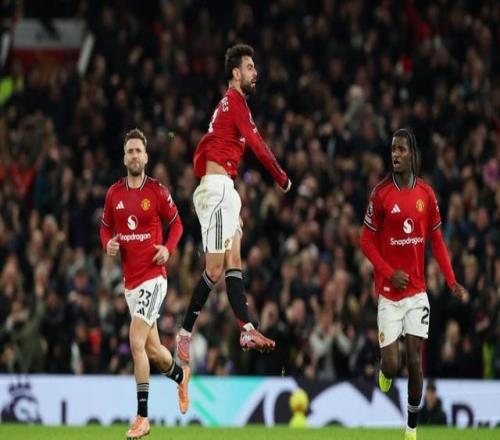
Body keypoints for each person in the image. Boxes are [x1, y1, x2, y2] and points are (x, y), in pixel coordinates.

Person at [176, 44, 291, 363]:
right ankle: (184, 333)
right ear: (236, 73)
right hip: (217, 190)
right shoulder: (235, 101)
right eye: (250, 67)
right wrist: (282, 178)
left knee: (234, 259)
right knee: (214, 268)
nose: (256, 73)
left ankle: (246, 328)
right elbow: (257, 143)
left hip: (224, 188)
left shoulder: (228, 105)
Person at [359, 128, 467, 440]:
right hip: (389, 294)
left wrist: (451, 280)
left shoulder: (426, 195)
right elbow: (365, 241)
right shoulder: (381, 194)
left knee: (415, 360)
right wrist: (388, 272)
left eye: (401, 149)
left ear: (412, 154)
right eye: (393, 149)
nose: (395, 154)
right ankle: (384, 370)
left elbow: (437, 241)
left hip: (417, 293)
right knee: (393, 365)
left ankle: (411, 427)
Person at [100, 128, 190, 439]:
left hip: (154, 278)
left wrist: (168, 249)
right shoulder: (114, 194)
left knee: (135, 341)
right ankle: (180, 375)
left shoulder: (157, 192)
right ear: (124, 157)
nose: (135, 155)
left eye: (139, 150)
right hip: (131, 284)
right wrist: (108, 244)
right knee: (153, 350)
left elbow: (177, 224)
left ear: (146, 157)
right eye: (130, 151)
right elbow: (105, 228)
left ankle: (142, 417)